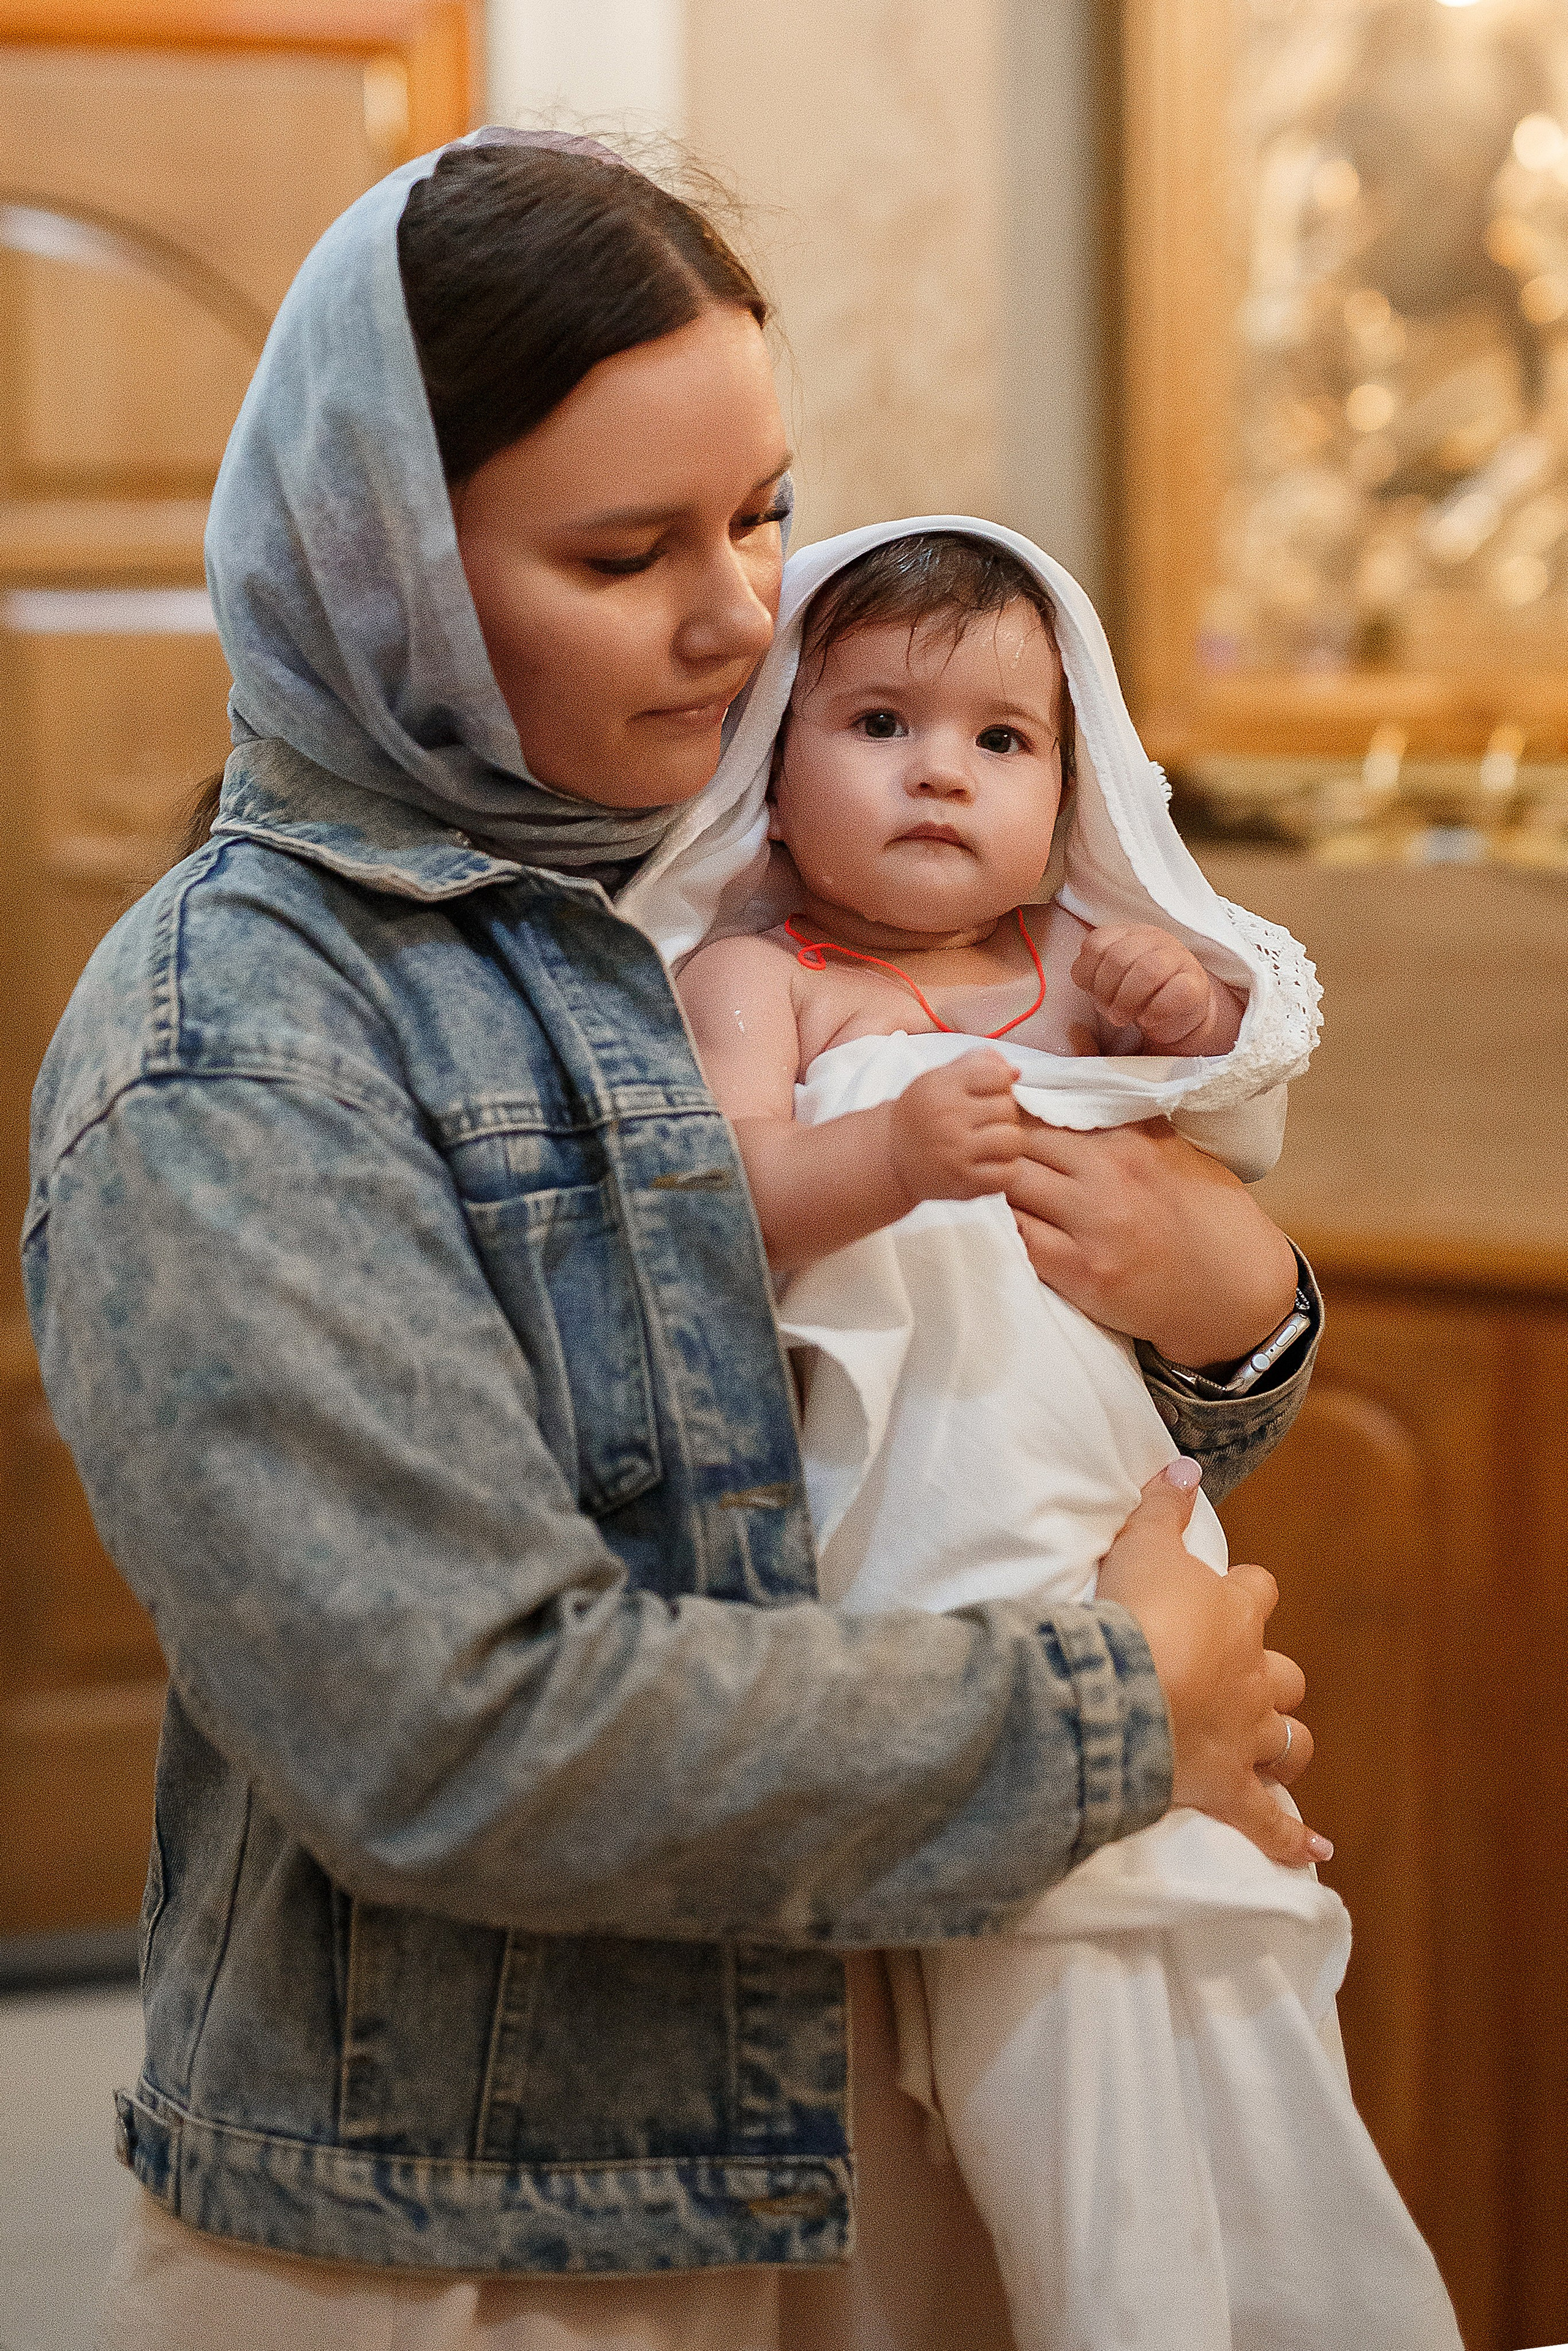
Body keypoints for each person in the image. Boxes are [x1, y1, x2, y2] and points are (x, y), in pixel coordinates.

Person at [26, 133, 1320, 2348]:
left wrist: (1239, 1316)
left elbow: (903, 1439)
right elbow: (459, 1728)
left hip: (866, 2088)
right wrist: (1120, 1711)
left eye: (761, 511)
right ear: (386, 572)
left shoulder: (692, 895)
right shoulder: (240, 1046)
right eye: (627, 551)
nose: (745, 616)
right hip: (484, 2235)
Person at [678, 521, 1463, 2351]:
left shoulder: (1071, 960)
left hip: (1126, 1522)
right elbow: (717, 1207)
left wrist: (1186, 1007)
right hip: (918, 1559)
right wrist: (884, 1149)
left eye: (1003, 740)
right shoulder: (761, 980)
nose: (942, 767)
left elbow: (1219, 1110)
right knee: (1039, 2041)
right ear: (776, 779)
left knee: (1222, 1988)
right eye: (877, 720)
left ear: (1074, 779)